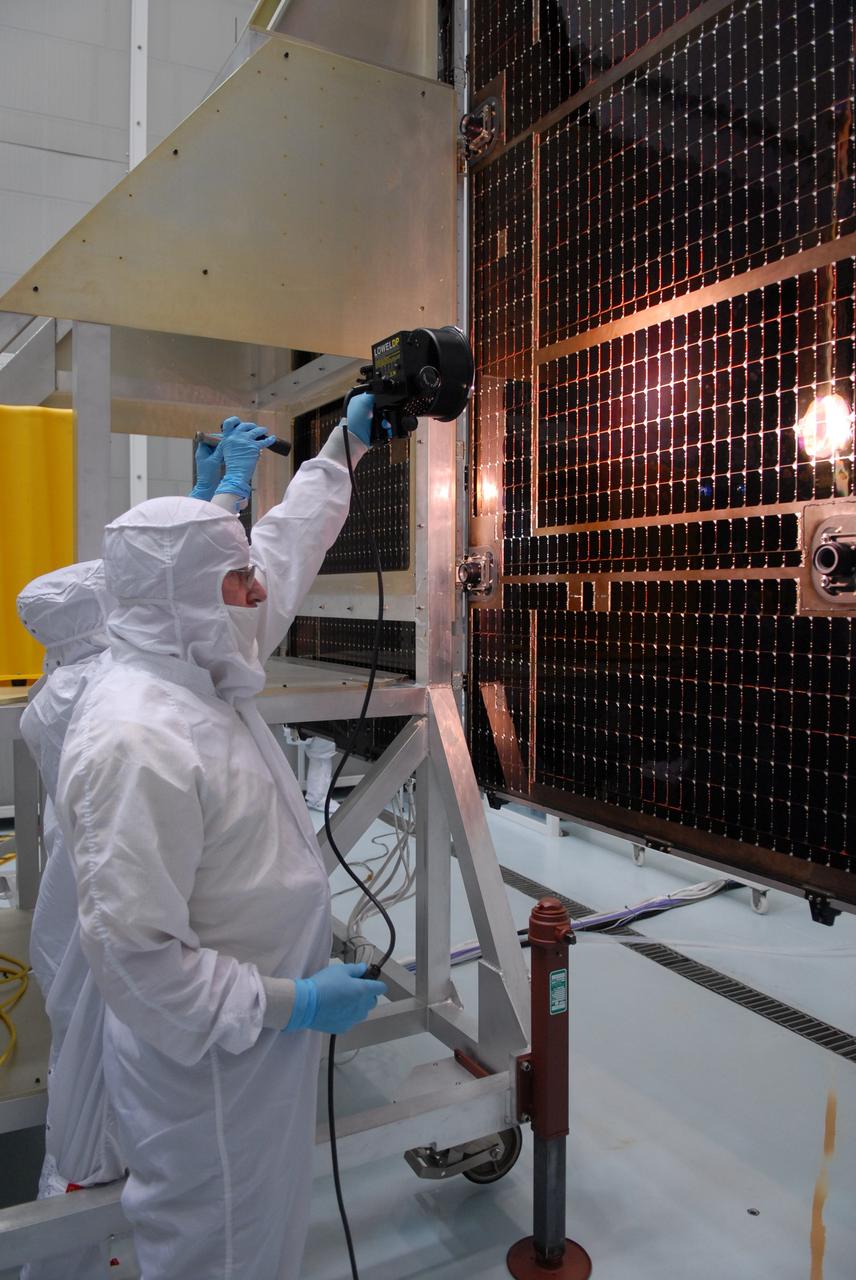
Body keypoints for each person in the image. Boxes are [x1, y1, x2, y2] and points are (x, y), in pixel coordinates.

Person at [53, 394, 388, 1278]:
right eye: (237, 579)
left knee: (265, 1233)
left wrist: (346, 449)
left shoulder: (197, 656)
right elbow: (142, 967)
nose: (258, 590)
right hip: (210, 1069)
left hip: (252, 1049)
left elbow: (283, 548)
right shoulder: (137, 737)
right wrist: (296, 1005)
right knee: (223, 1251)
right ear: (188, 594)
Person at [15, 422, 268, 1279]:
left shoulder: (67, 677)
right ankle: (70, 1242)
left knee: (95, 1046)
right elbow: (162, 594)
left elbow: (156, 586)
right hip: (102, 924)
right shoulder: (103, 695)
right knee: (91, 1084)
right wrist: (222, 498)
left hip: (76, 909)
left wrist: (209, 504)